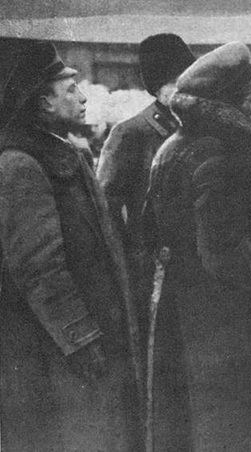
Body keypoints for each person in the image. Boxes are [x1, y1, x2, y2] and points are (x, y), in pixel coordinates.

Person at [143, 41, 251, 450]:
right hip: (225, 317)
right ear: (233, 101)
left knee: (194, 423)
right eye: (249, 96)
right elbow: (223, 252)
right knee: (232, 426)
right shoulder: (222, 152)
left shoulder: (174, 145)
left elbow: (150, 230)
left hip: (186, 308)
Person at [0, 40, 143, 450]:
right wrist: (81, 339)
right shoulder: (21, 164)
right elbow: (39, 268)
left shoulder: (60, 153)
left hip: (85, 341)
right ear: (43, 101)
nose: (82, 97)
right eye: (70, 89)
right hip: (58, 353)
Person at [95, 34, 195, 449]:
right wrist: (131, 255)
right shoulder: (131, 133)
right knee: (160, 370)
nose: (185, 89)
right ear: (159, 86)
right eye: (177, 80)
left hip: (192, 270)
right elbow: (104, 208)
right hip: (150, 273)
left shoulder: (197, 129)